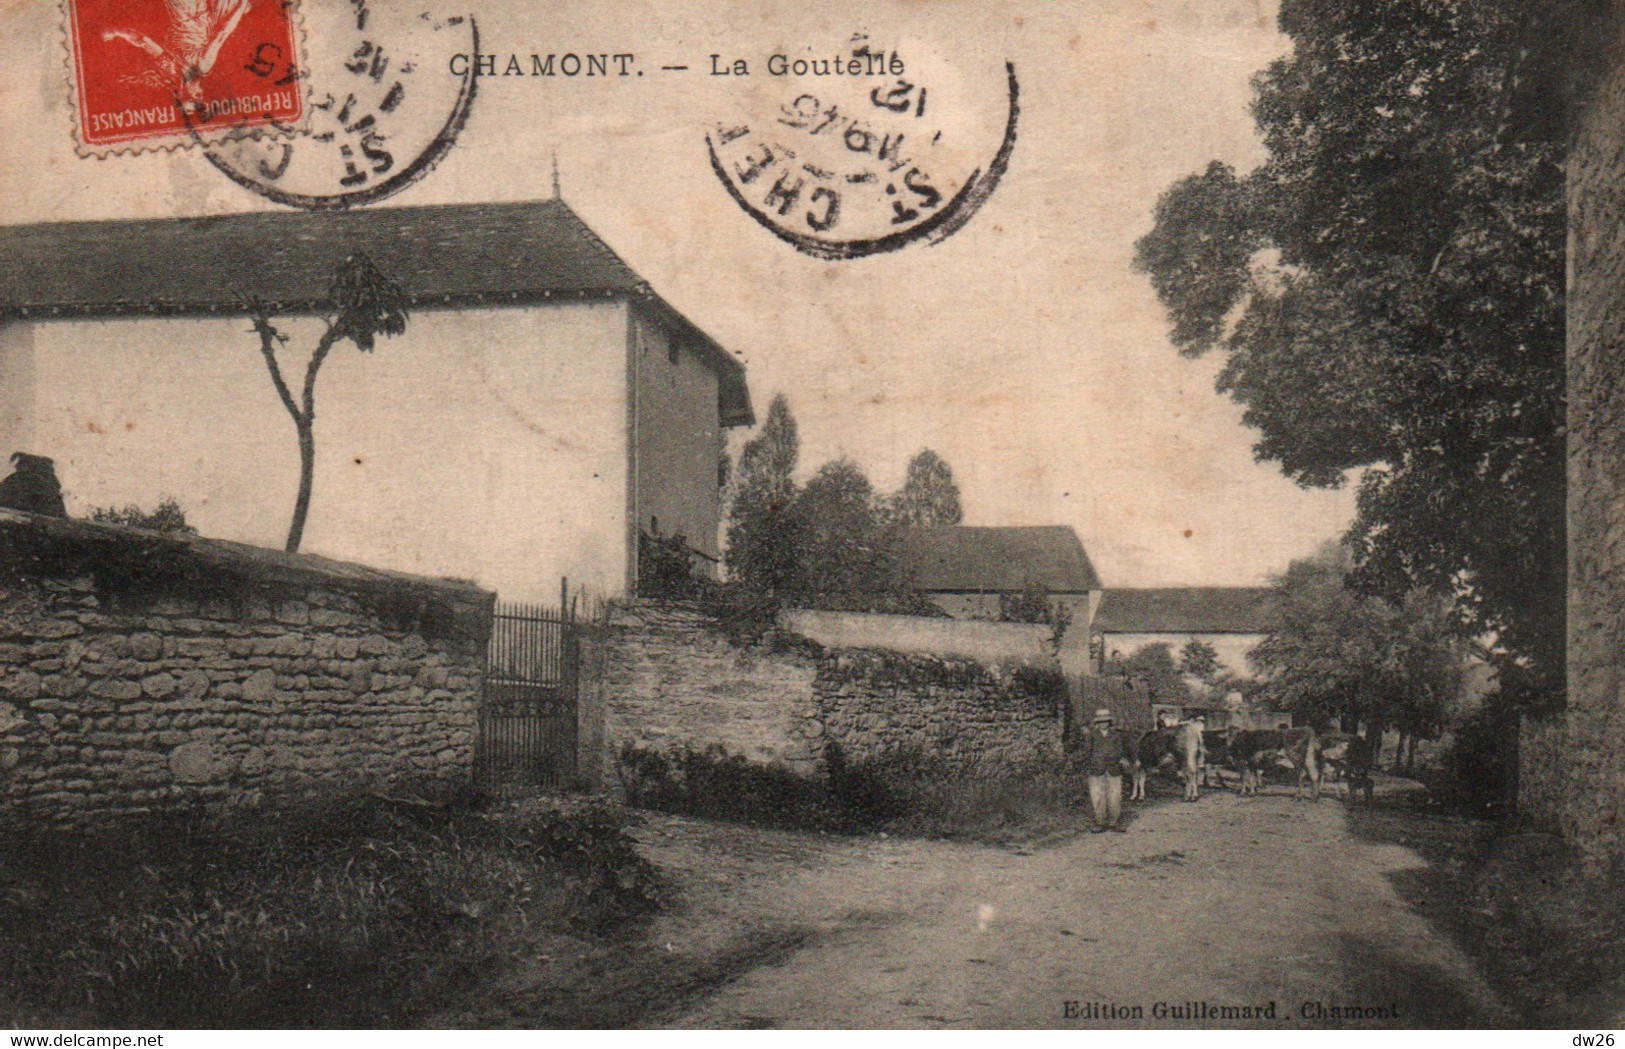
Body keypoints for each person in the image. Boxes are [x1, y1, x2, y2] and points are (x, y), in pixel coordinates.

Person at [1078, 708, 1131, 833]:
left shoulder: (1116, 735)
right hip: (1096, 769)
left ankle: (1114, 822)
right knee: (1097, 796)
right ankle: (1100, 822)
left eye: (1106, 721)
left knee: (1115, 795)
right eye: (1101, 722)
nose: (1104, 724)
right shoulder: (1091, 735)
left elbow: (1120, 751)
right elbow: (1087, 752)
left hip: (1113, 769)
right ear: (1097, 723)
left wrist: (1116, 759)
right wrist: (1090, 764)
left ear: (1109, 722)